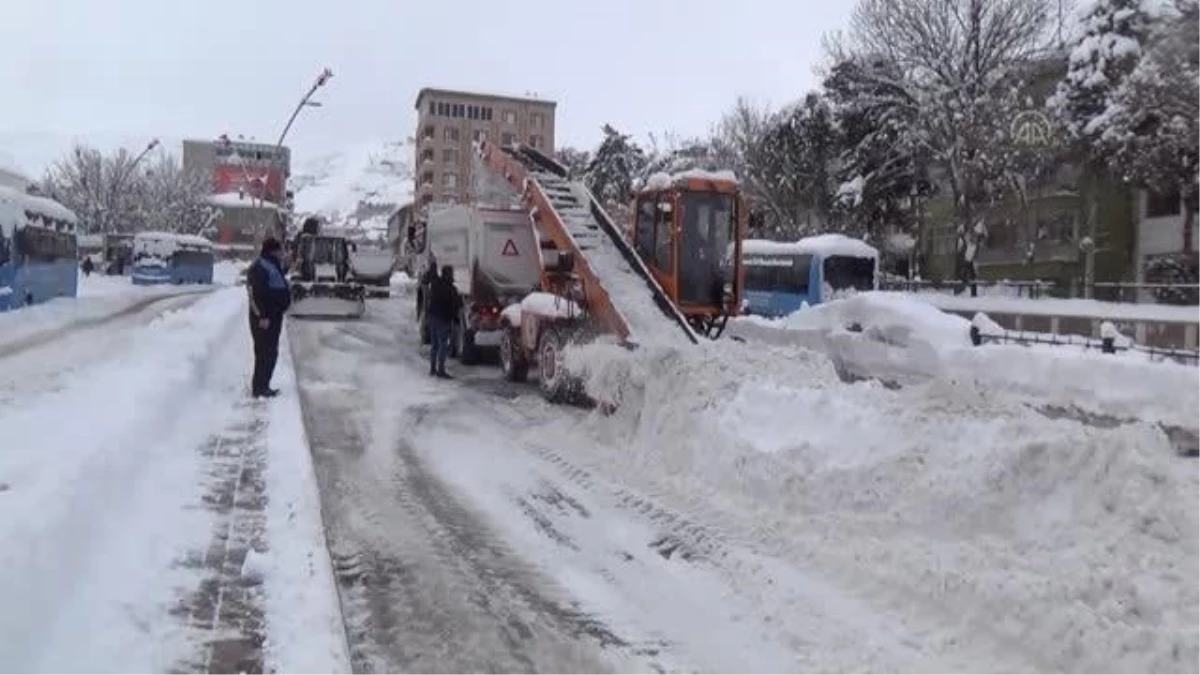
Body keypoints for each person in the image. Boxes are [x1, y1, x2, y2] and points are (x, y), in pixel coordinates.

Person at [247, 237, 292, 398]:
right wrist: (262, 316)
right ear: (273, 251)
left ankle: (263, 385)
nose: (282, 253)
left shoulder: (271, 265)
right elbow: (256, 293)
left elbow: (276, 284)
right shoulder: (260, 267)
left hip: (273, 317)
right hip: (265, 319)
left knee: (270, 353)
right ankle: (259, 388)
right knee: (264, 353)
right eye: (280, 250)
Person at [425, 264, 460, 378]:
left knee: (434, 345)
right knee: (443, 345)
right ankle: (441, 370)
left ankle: (432, 369)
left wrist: (433, 265)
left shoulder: (436, 284)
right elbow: (455, 307)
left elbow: (429, 276)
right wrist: (455, 320)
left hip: (432, 317)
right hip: (443, 320)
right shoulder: (452, 289)